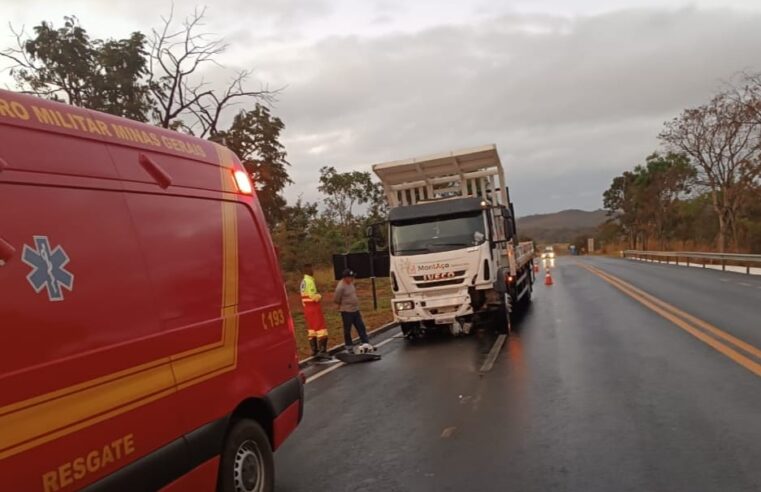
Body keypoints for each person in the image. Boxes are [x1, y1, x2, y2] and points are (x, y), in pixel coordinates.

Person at [333, 269, 371, 351]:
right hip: (347, 311)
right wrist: (341, 305)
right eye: (350, 277)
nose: (352, 279)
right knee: (347, 329)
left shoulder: (351, 283)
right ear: (345, 278)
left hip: (355, 309)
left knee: (361, 326)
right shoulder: (340, 287)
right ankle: (349, 344)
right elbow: (336, 299)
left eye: (352, 277)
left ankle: (365, 342)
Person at [300, 264, 329, 357]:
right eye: (312, 269)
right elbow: (314, 297)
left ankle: (314, 350)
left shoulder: (303, 282)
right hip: (313, 307)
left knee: (312, 330)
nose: (313, 271)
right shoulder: (309, 281)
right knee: (321, 329)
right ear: (308, 270)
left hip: (307, 308)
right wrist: (319, 296)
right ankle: (322, 351)